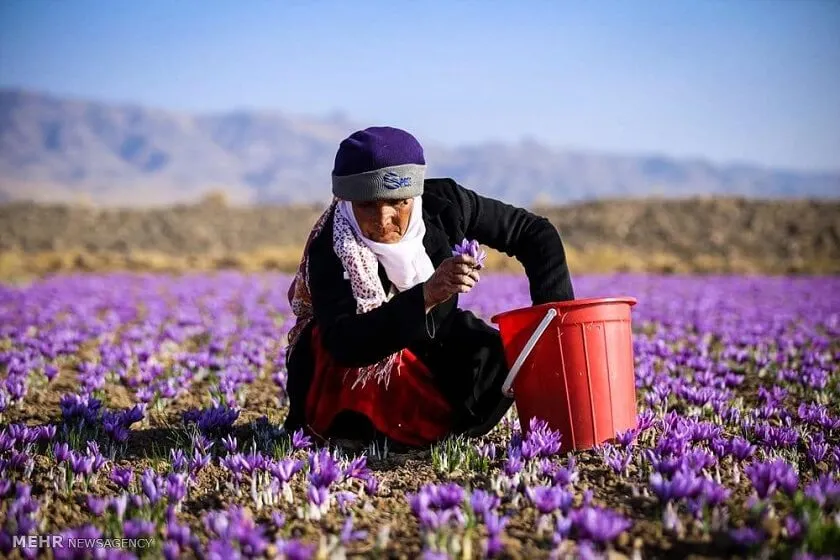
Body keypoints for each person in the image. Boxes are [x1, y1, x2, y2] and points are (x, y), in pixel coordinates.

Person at [282, 126, 575, 447]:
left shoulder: (445, 204)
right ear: (347, 200)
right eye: (366, 206)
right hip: (353, 356)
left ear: (415, 195)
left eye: (398, 202)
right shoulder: (334, 245)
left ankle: (432, 428)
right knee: (334, 359)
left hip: (427, 336)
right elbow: (345, 342)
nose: (383, 219)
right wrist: (427, 295)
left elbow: (535, 234)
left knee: (496, 356)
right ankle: (359, 430)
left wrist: (554, 324)